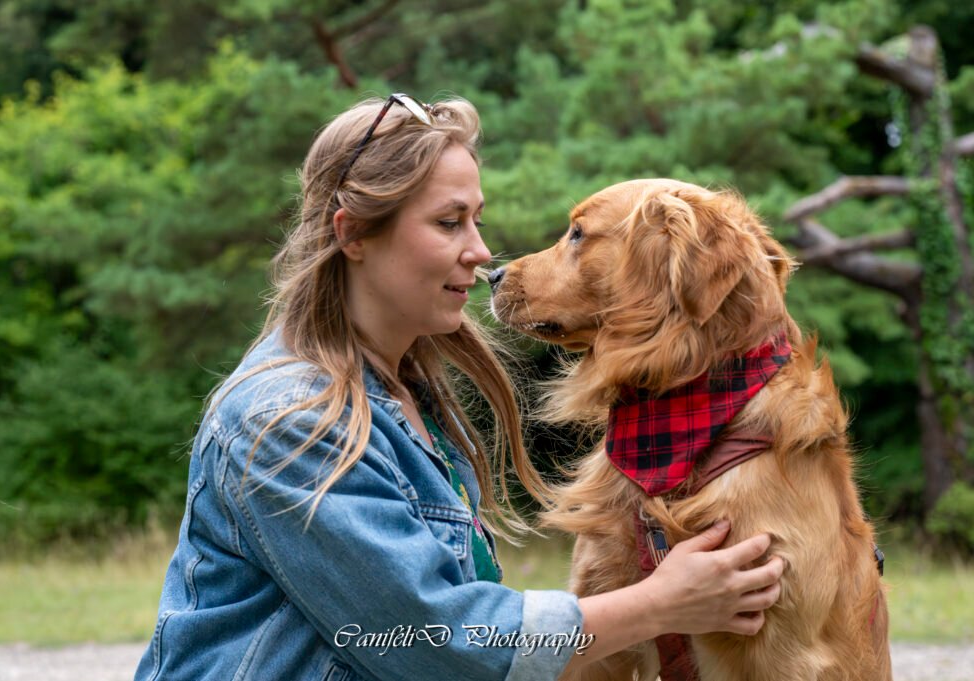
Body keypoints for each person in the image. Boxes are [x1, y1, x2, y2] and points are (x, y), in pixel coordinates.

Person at [134, 93, 784, 681]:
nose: (481, 250)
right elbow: (437, 641)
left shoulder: (410, 396)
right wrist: (660, 602)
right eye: (449, 223)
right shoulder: (285, 418)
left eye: (476, 219)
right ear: (353, 234)